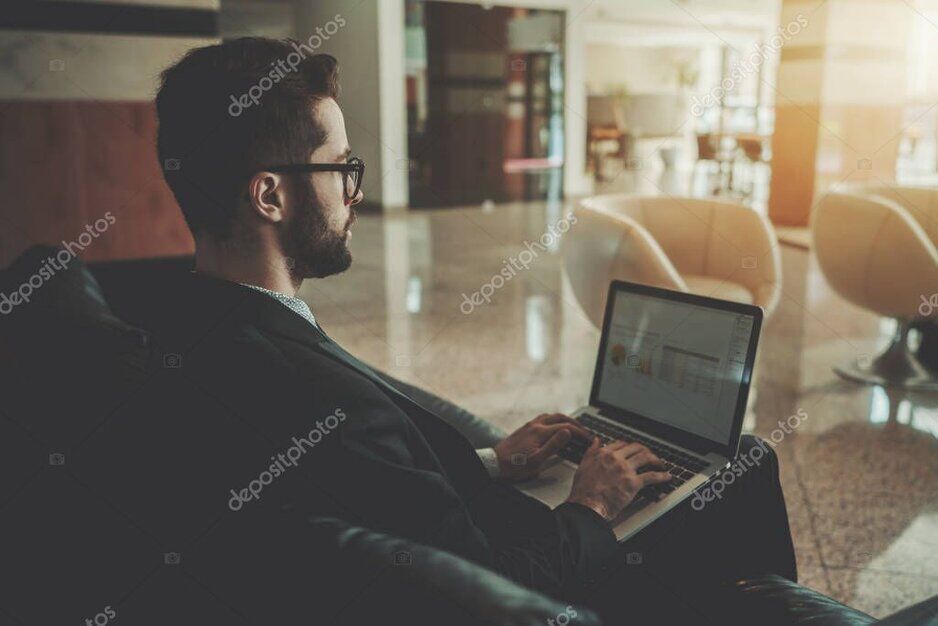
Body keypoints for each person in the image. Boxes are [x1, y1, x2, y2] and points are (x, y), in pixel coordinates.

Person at [153, 37, 795, 623]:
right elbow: (501, 591)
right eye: (341, 168)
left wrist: (492, 462)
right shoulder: (321, 399)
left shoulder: (186, 323)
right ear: (270, 197)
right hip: (555, 568)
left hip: (484, 518)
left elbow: (380, 496)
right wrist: (592, 506)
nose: (353, 193)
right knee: (745, 459)